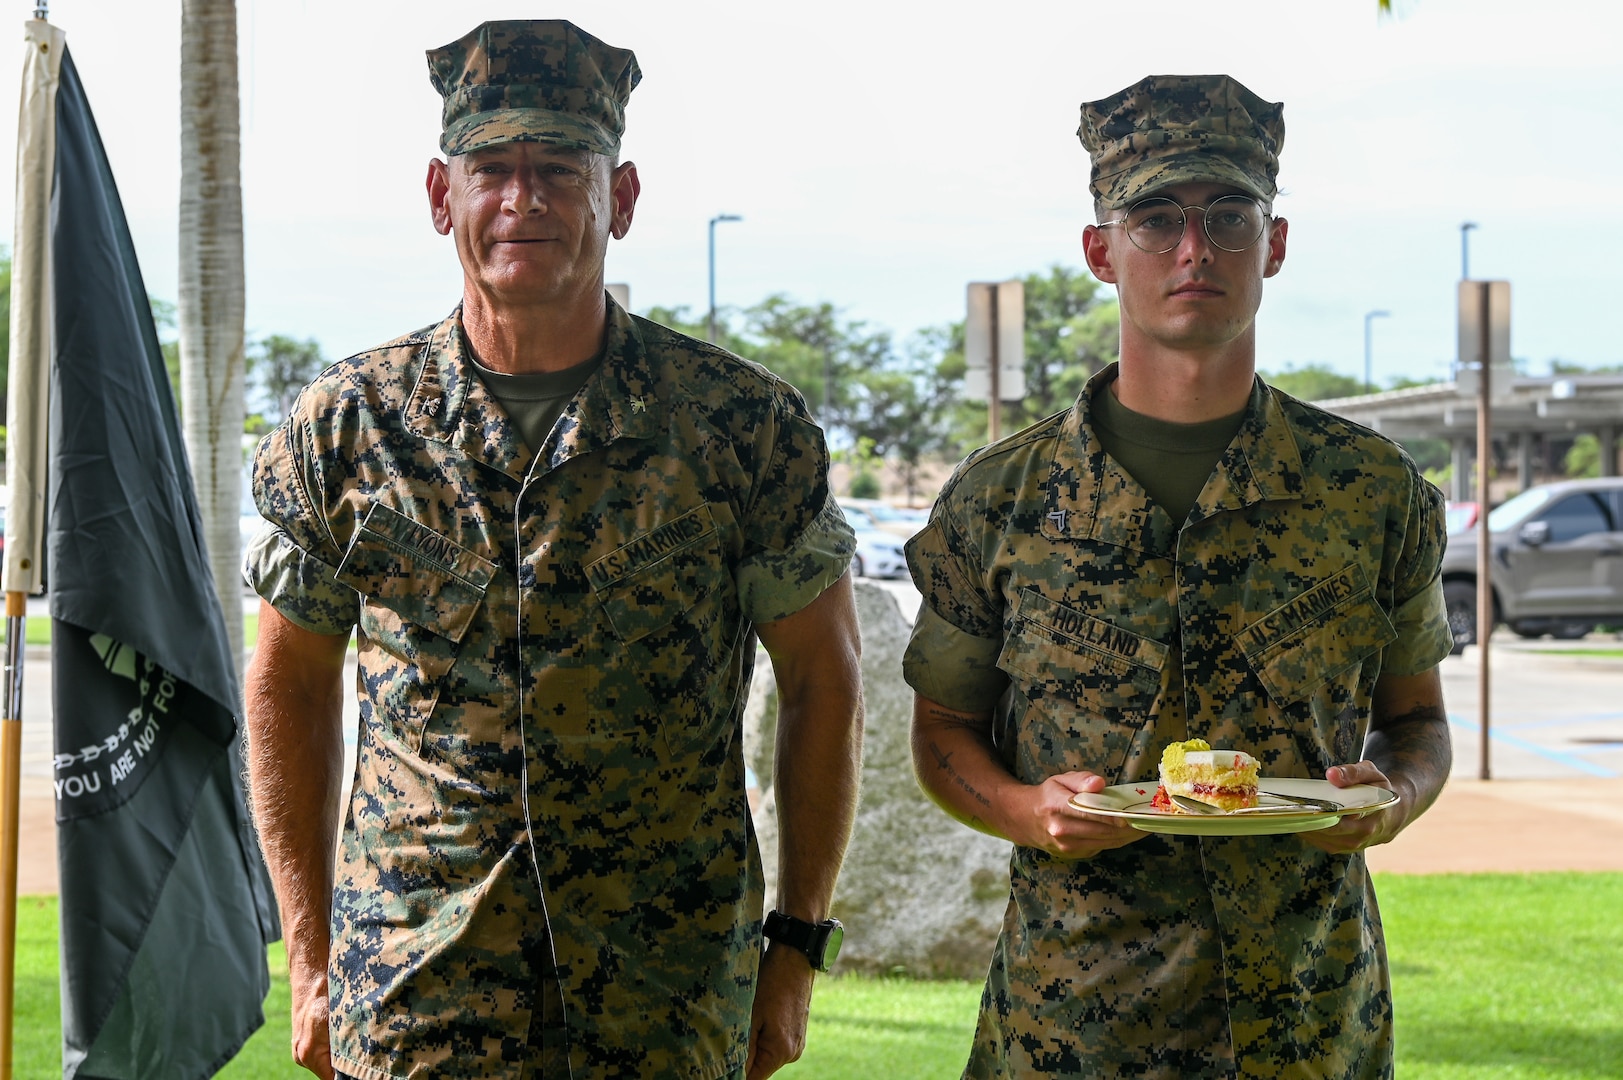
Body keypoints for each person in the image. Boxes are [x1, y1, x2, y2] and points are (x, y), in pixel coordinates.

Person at [242, 20, 863, 1080]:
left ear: (618, 197)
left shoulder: (736, 427)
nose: (521, 201)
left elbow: (825, 679)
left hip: (665, 997)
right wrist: (309, 958)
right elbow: (287, 682)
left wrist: (795, 950)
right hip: (414, 991)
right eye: (492, 169)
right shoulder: (350, 427)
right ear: (444, 197)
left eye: (559, 170)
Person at [903, 74, 1453, 1079]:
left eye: (1228, 217)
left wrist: (1395, 794)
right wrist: (1026, 810)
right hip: (1073, 1032)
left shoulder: (1372, 495)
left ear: (1274, 246)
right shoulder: (998, 500)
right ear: (1101, 251)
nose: (1194, 250)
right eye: (1155, 219)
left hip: (1308, 1026)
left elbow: (1418, 725)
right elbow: (942, 737)